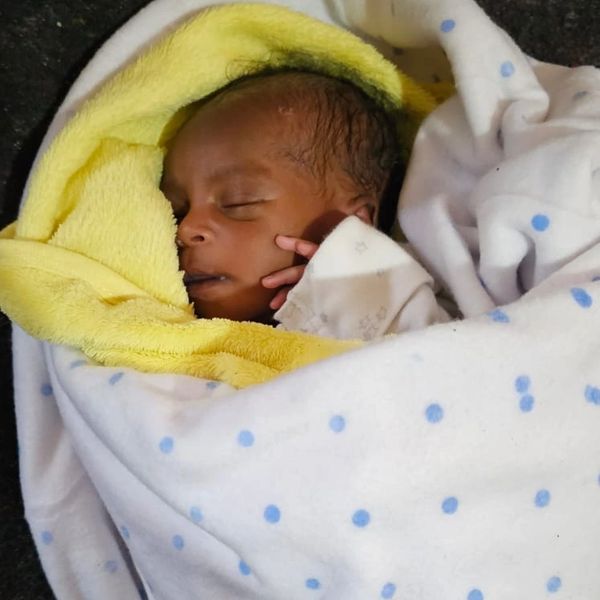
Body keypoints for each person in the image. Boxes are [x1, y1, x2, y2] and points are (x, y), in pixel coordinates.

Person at [160, 70, 449, 340]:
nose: (186, 229)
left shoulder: (402, 306)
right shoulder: (163, 335)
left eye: (238, 202)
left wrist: (347, 287)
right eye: (177, 211)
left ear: (352, 226)